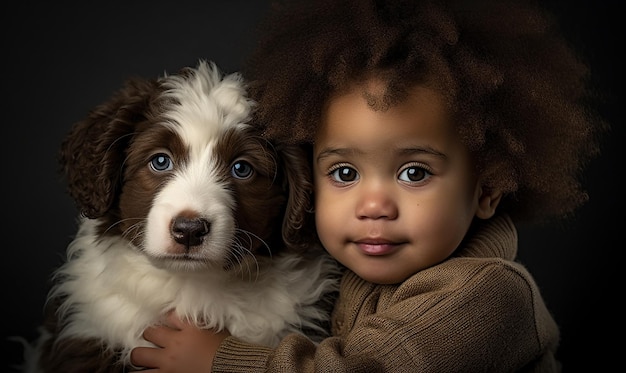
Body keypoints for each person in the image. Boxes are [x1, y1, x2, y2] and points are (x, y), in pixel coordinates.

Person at [130, 0, 608, 371]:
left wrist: (221, 359)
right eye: (344, 173)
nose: (374, 204)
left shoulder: (486, 295)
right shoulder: (355, 270)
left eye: (414, 173)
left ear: (487, 189)